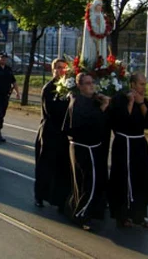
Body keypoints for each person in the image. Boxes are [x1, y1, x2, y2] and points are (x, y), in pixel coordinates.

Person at [107, 73, 148, 228]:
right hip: (124, 144)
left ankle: (139, 215)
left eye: (145, 84)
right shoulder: (120, 99)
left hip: (139, 144)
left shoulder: (144, 102)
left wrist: (141, 104)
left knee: (144, 180)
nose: (144, 87)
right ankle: (122, 216)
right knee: (123, 180)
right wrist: (130, 104)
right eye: (141, 84)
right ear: (133, 84)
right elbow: (119, 121)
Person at [62, 73, 110, 231]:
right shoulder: (78, 102)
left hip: (90, 146)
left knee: (85, 183)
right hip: (84, 147)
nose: (91, 86)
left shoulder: (89, 100)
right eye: (88, 83)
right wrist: (102, 108)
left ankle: (73, 208)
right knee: (91, 183)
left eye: (92, 83)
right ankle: (80, 214)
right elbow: (88, 123)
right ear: (80, 86)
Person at [34, 59, 70, 208]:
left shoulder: (69, 87)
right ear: (53, 70)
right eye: (59, 68)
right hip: (49, 132)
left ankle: (59, 198)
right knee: (45, 166)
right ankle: (39, 196)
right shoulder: (49, 88)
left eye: (64, 68)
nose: (62, 71)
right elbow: (52, 111)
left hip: (63, 133)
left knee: (62, 167)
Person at [80, 0, 109, 68]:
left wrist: (101, 25)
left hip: (100, 39)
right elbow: (89, 28)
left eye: (101, 5)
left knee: (99, 54)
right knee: (91, 54)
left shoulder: (102, 16)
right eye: (98, 5)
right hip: (91, 39)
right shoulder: (90, 16)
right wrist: (96, 26)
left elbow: (104, 27)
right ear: (95, 6)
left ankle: (101, 66)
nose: (99, 7)